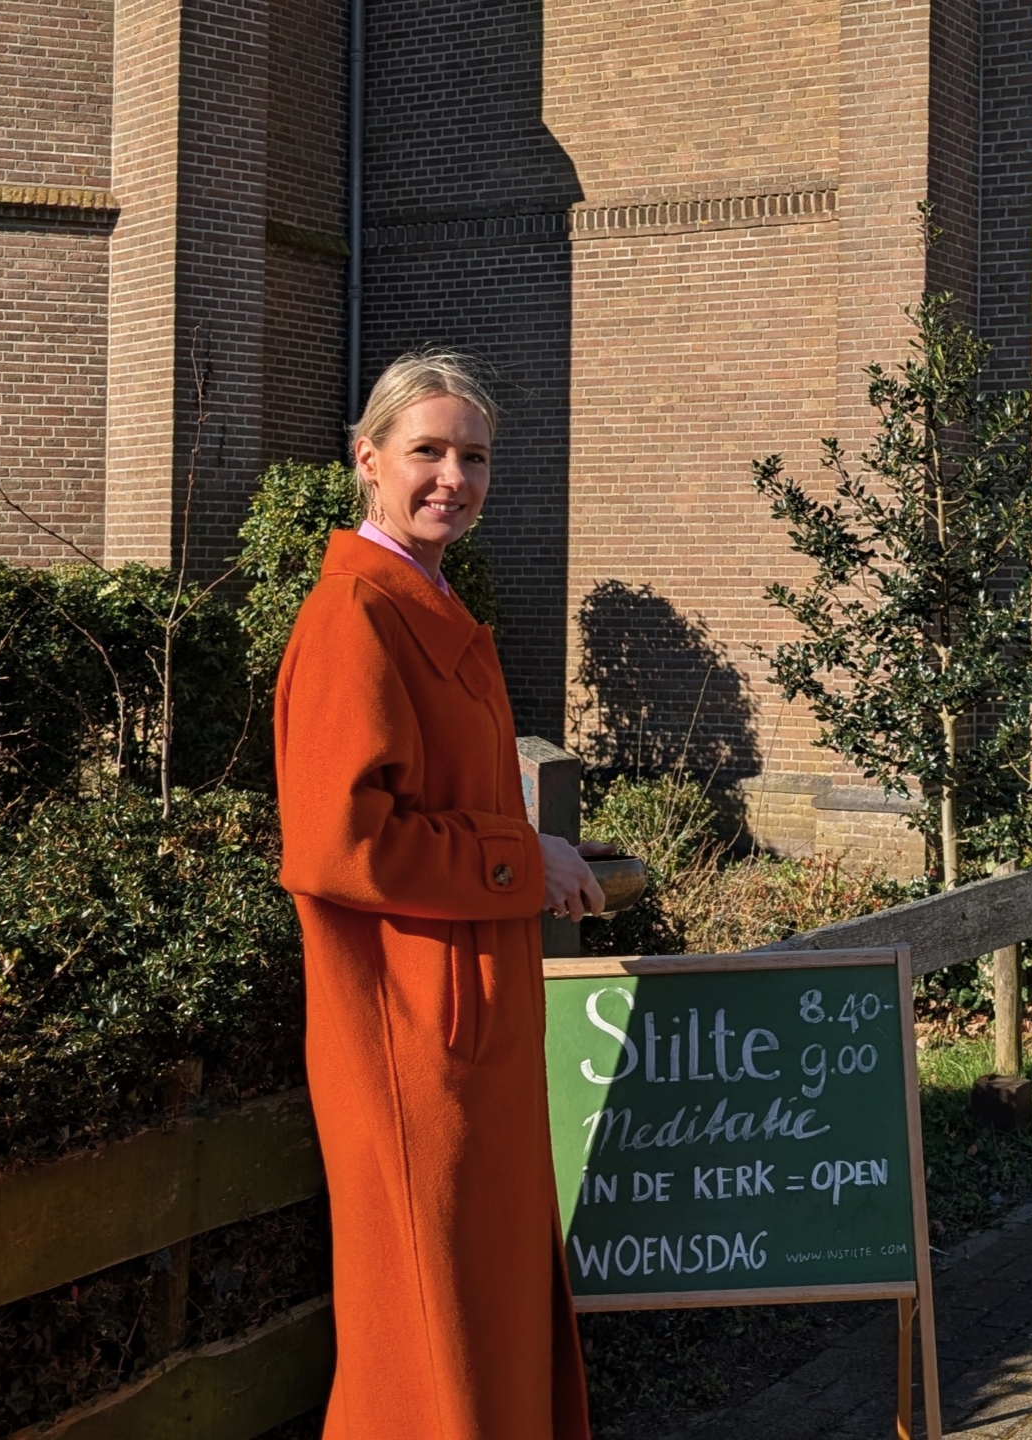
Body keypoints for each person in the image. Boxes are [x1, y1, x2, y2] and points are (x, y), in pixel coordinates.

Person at [273, 350, 604, 1438]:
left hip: (464, 1015)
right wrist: (519, 861)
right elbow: (337, 845)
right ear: (367, 459)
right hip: (410, 1029)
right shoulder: (354, 614)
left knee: (474, 1312)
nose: (453, 478)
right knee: (430, 1331)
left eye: (475, 456)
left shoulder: (429, 599)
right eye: (427, 451)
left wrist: (520, 857)